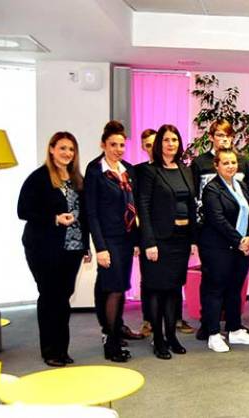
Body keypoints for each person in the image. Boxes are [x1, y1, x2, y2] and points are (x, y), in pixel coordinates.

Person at [18, 131, 91, 367]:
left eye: (71, 149)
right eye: (62, 148)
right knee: (50, 296)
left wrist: (86, 245)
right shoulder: (38, 178)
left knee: (63, 297)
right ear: (51, 149)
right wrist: (55, 218)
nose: (67, 153)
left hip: (73, 248)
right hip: (43, 247)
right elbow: (23, 211)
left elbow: (85, 215)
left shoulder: (77, 179)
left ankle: (62, 349)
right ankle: (50, 351)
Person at [135, 124, 195, 360]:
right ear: (159, 144)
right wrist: (148, 242)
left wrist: (193, 239)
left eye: (175, 140)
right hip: (158, 241)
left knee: (173, 289)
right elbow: (143, 207)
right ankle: (158, 339)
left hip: (181, 240)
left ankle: (171, 336)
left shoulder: (185, 170)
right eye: (167, 140)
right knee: (156, 290)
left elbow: (191, 205)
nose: (171, 144)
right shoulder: (149, 171)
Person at [84, 121, 141, 363]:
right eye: (113, 144)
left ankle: (113, 330)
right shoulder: (95, 170)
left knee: (117, 286)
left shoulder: (127, 169)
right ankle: (111, 342)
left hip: (126, 238)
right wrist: (100, 247)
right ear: (103, 145)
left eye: (121, 145)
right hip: (109, 239)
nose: (118, 149)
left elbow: (133, 206)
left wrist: (136, 240)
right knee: (114, 288)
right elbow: (91, 212)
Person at [198, 149, 249, 353]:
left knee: (235, 289)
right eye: (225, 163)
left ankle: (234, 329)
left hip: (240, 248)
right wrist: (239, 240)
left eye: (233, 162)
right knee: (215, 290)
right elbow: (217, 219)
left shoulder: (241, 185)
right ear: (216, 166)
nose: (231, 166)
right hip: (218, 248)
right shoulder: (212, 189)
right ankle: (213, 334)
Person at [135, 128, 157, 338]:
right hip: (146, 233)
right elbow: (135, 205)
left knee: (173, 279)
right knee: (148, 278)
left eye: (155, 144)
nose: (152, 149)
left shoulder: (175, 168)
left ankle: (176, 318)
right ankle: (148, 319)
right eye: (148, 145)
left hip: (170, 234)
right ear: (143, 147)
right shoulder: (138, 171)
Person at [190, 119, 249, 194]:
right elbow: (194, 193)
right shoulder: (199, 162)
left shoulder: (242, 161)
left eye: (228, 136)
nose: (225, 139)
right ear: (211, 137)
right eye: (220, 135)